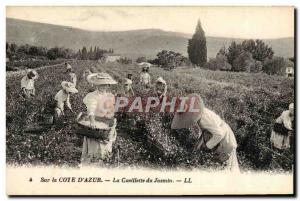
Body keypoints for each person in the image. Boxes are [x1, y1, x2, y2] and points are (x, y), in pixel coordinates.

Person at [171, 94, 240, 173]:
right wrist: (199, 146)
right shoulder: (199, 114)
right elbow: (208, 131)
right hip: (222, 139)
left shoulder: (203, 118)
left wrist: (206, 146)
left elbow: (219, 134)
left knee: (227, 170)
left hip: (225, 141)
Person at [80, 72, 118, 164]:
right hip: (97, 125)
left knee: (106, 146)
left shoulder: (109, 95)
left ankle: (104, 162)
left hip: (106, 124)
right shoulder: (93, 96)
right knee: (96, 147)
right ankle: (94, 165)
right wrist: (92, 122)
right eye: (101, 84)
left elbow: (111, 109)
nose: (104, 86)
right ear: (97, 85)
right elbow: (91, 110)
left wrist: (111, 118)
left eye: (105, 84)